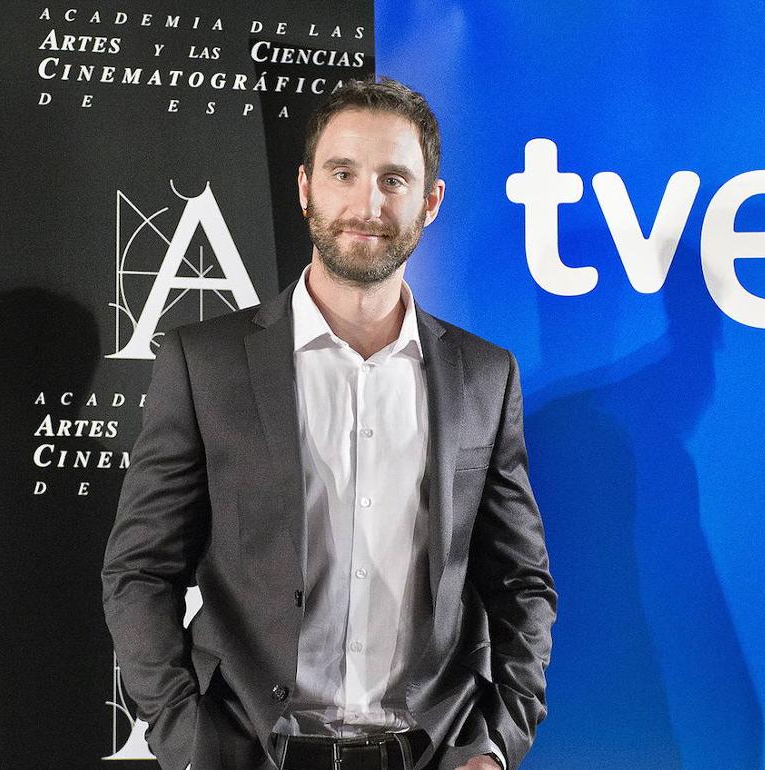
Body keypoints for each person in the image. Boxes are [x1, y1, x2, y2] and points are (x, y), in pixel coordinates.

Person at [102, 77, 556, 770]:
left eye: (393, 180)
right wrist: (188, 743)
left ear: (430, 202)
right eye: (343, 173)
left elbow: (522, 585)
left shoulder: (485, 377)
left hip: (430, 753)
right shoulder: (207, 365)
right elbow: (140, 570)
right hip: (250, 751)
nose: (367, 205)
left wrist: (494, 746)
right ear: (305, 188)